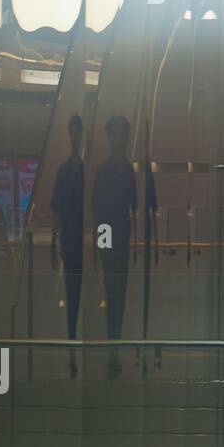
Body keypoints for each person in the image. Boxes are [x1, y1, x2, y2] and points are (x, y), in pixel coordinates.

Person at [92, 115, 137, 378]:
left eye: (121, 134)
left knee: (119, 294)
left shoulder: (128, 172)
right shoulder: (103, 171)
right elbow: (98, 211)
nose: (117, 139)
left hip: (122, 240)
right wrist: (101, 247)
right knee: (112, 293)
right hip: (111, 241)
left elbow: (132, 209)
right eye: (115, 133)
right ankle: (112, 346)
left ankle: (115, 344)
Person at [50, 114, 86, 378]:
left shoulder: (81, 169)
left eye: (77, 133)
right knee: (72, 286)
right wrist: (53, 240)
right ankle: (72, 335)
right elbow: (57, 208)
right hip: (69, 238)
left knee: (76, 287)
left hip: (77, 238)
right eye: (72, 132)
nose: (75, 138)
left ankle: (74, 335)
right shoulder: (66, 171)